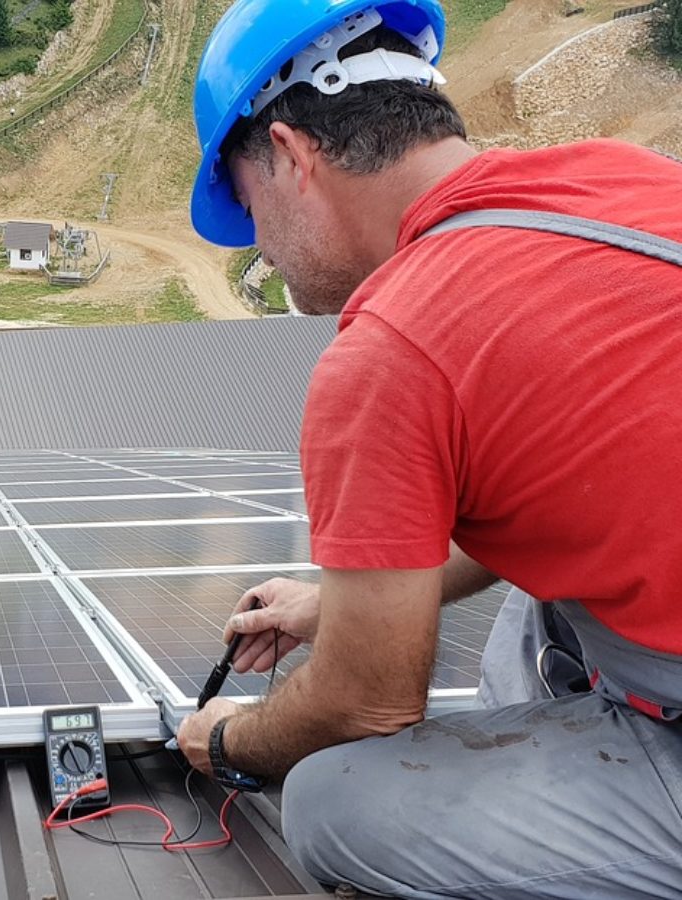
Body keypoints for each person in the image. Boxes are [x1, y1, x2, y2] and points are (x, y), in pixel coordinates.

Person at [175, 0, 682, 897]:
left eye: (249, 208)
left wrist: (223, 740)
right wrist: (340, 600)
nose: (263, 248)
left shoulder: (391, 346)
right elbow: (572, 480)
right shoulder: (628, 180)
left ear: (291, 157)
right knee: (540, 611)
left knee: (336, 801)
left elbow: (366, 704)